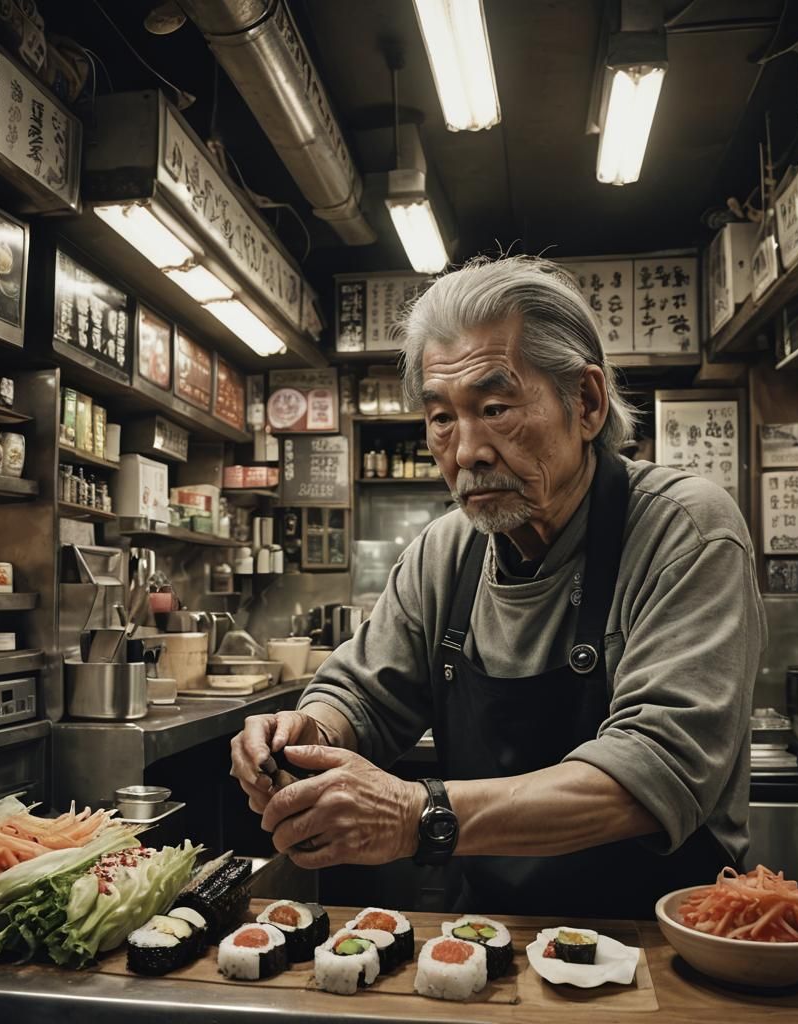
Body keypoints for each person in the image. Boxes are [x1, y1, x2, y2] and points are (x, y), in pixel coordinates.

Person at [230, 256, 766, 918]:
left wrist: (417, 814)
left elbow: (659, 766)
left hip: (665, 937)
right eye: (441, 418)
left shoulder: (683, 530)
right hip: (494, 935)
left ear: (588, 402)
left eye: (494, 407)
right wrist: (305, 732)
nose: (466, 451)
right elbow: (362, 695)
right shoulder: (443, 553)